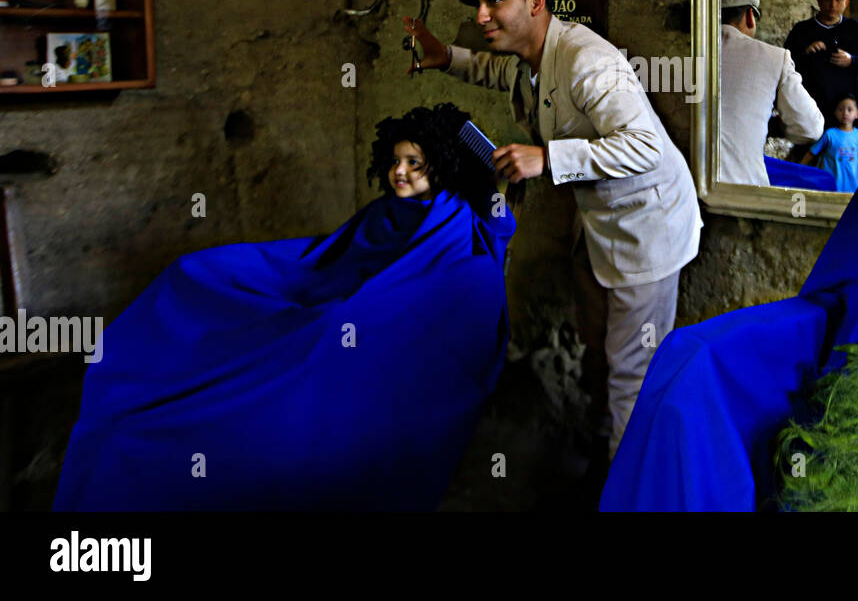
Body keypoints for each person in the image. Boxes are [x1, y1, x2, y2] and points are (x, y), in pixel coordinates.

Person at [55, 104, 514, 510]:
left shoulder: (457, 220)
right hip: (325, 292)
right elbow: (329, 257)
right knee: (202, 270)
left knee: (326, 333)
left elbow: (485, 243)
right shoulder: (383, 212)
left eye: (415, 163)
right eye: (395, 161)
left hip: (375, 322)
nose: (400, 172)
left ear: (442, 164)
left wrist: (493, 179)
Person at [403, 0, 701, 462]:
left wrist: (546, 157)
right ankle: (600, 453)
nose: (481, 17)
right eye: (477, 5)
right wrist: (443, 56)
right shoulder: (531, 60)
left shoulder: (588, 61)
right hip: (600, 227)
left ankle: (626, 489)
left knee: (633, 369)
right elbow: (488, 70)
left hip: (648, 229)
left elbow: (645, 146)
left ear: (535, 0)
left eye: (494, 3)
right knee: (597, 353)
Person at [718, 0, 823, 186]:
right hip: (742, 186)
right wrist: (777, 125)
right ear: (749, 16)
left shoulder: (675, 55)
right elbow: (810, 128)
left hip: (679, 192)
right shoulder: (775, 57)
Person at [783, 0, 858, 127]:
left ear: (847, 2)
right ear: (818, 1)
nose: (833, 5)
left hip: (846, 113)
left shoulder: (855, 28)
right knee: (813, 150)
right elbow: (784, 67)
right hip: (811, 108)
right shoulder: (802, 29)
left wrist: (852, 61)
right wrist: (805, 54)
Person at [801, 94, 858, 194]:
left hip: (852, 187)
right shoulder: (829, 134)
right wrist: (800, 168)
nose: (845, 113)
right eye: (841, 109)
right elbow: (811, 152)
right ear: (835, 112)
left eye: (850, 109)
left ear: (857, 114)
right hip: (829, 186)